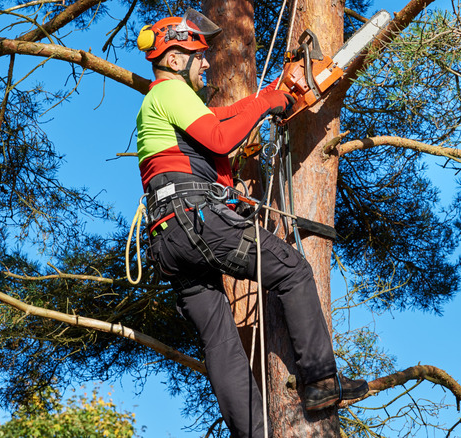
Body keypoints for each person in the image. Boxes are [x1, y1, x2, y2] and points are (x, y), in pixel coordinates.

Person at [134, 9, 369, 437]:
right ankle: (320, 382)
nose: (206, 62)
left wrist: (266, 99)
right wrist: (265, 101)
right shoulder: (169, 93)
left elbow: (218, 130)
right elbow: (223, 137)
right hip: (195, 220)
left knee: (220, 341)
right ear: (171, 60)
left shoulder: (163, 106)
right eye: (197, 55)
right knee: (294, 271)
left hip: (169, 238)